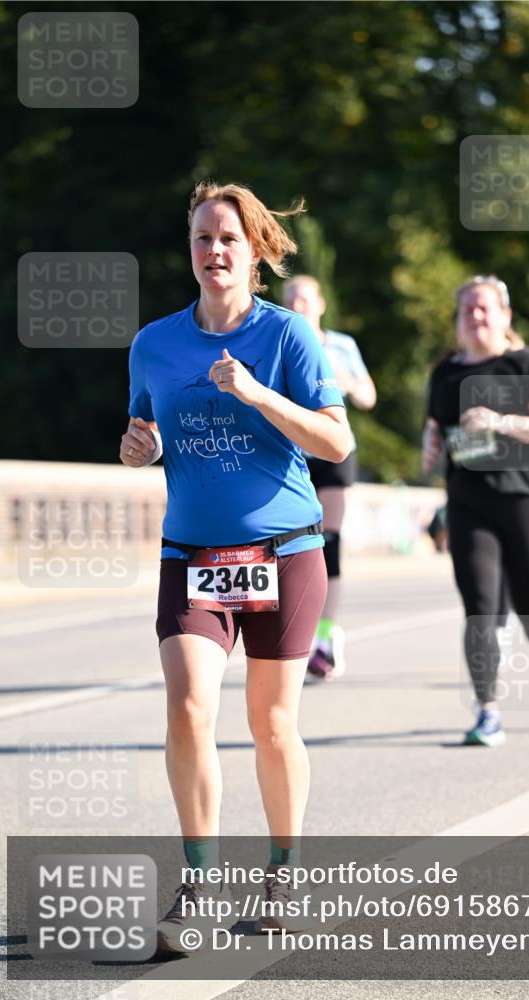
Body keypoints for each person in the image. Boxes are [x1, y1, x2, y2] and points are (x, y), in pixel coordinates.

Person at [120, 181, 351, 952]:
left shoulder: (287, 338)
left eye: (226, 238)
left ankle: (282, 872)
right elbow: (144, 430)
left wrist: (257, 395)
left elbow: (336, 443)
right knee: (188, 709)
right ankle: (197, 883)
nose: (213, 251)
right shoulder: (153, 343)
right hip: (190, 555)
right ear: (188, 251)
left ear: (254, 251)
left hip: (283, 553)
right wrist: (140, 447)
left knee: (272, 723)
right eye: (200, 239)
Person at [422, 275, 529, 747]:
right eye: (467, 309)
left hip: (526, 499)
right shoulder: (445, 373)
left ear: (505, 317)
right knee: (480, 610)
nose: (476, 316)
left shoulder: (524, 364)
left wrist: (500, 421)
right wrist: (430, 446)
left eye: (485, 308)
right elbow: (436, 428)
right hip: (468, 503)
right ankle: (487, 711)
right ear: (458, 320)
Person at [282, 276, 376, 680]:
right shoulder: (281, 342)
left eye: (304, 298)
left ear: (320, 304)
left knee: (330, 542)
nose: (298, 304)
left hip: (335, 451)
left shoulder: (342, 345)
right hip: (293, 452)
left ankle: (326, 635)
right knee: (295, 544)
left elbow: (368, 397)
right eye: (290, 299)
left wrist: (344, 379)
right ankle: (296, 631)